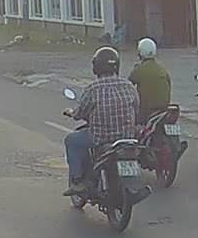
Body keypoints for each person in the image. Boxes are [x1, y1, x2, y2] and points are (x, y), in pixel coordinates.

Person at [63, 46, 141, 196]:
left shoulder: (93, 88)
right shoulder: (129, 86)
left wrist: (72, 113)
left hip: (100, 138)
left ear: (96, 67)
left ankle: (78, 181)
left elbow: (81, 113)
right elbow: (136, 108)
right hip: (126, 138)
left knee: (71, 140)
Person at [128, 37, 171, 124]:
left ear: (140, 53)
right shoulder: (162, 69)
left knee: (135, 123)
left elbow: (128, 85)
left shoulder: (139, 69)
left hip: (146, 110)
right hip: (164, 108)